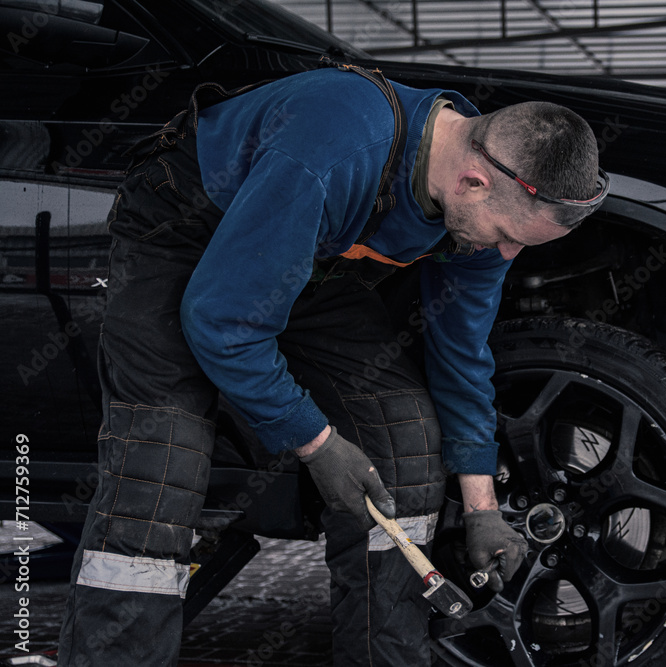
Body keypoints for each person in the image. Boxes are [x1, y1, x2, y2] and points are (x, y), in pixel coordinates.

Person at [56, 60, 607, 667]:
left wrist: (480, 508)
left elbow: (460, 354)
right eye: (506, 234)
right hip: (183, 233)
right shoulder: (335, 147)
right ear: (474, 181)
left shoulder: (484, 211)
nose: (506, 253)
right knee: (159, 468)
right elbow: (225, 321)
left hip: (307, 260)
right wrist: (315, 442)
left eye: (523, 243)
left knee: (402, 437)